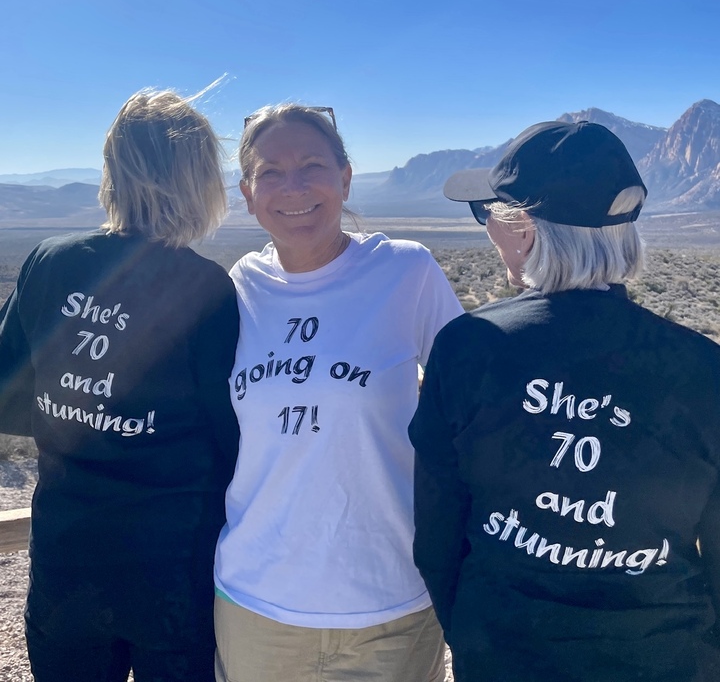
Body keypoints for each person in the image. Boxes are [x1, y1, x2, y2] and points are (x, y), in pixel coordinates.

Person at [409, 119, 720, 682]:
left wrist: (471, 633)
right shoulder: (703, 368)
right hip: (665, 658)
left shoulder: (469, 347)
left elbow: (437, 532)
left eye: (487, 213)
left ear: (525, 229)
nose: (487, 231)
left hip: (504, 654)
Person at [213, 103, 464, 682]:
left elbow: (471, 404)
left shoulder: (406, 272)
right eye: (270, 172)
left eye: (312, 165)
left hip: (392, 603)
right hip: (257, 604)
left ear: (346, 178)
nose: (293, 187)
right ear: (248, 194)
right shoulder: (238, 288)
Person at [0, 88, 240, 682]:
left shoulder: (49, 261)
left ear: (113, 170)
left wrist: (79, 418)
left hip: (66, 561)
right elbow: (234, 434)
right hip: (174, 572)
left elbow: (7, 397)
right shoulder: (207, 288)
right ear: (199, 180)